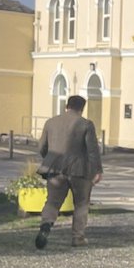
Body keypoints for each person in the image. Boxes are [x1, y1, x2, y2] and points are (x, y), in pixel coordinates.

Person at [35, 94, 103, 249]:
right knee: (81, 203)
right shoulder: (86, 124)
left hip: (55, 169)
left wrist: (50, 159)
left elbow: (42, 147)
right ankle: (78, 237)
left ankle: (46, 225)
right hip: (80, 171)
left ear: (67, 106)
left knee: (52, 201)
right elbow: (92, 150)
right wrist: (97, 170)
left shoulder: (51, 122)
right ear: (82, 109)